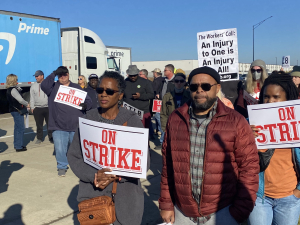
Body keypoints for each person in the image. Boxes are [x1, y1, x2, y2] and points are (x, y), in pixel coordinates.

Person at [159, 66, 259, 225]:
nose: (199, 91)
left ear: (217, 88)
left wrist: (240, 210)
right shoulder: (175, 119)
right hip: (182, 214)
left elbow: (249, 168)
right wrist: (166, 204)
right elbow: (167, 167)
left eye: (205, 86)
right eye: (194, 87)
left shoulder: (236, 121)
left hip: (223, 212)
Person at [67, 71, 148, 225]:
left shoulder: (133, 122)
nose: (103, 94)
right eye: (100, 90)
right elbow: (74, 155)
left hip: (126, 204)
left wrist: (115, 176)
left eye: (109, 91)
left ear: (120, 95)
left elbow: (144, 163)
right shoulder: (87, 120)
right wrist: (94, 176)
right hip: (94, 201)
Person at [248, 72, 300, 225]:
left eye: (276, 97)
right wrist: (245, 136)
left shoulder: (296, 125)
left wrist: (298, 191)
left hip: (289, 197)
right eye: (266, 97)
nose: (270, 101)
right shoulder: (250, 123)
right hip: (259, 197)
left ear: (287, 99)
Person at [41, 66, 92, 177]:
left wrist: (86, 105)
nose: (63, 77)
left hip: (75, 125)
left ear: (69, 74)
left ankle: (78, 166)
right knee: (60, 148)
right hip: (58, 125)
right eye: (60, 75)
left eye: (65, 74)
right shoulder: (53, 87)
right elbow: (44, 85)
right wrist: (54, 73)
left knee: (76, 149)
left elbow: (89, 101)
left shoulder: (77, 87)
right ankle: (62, 166)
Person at [123, 65, 154, 129]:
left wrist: (141, 96)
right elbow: (120, 95)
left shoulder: (146, 82)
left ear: (137, 74)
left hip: (143, 112)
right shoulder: (124, 82)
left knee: (143, 132)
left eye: (134, 75)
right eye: (131, 75)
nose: (133, 77)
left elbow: (151, 95)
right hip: (128, 113)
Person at [6, 74, 29, 152]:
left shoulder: (9, 89)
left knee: (17, 128)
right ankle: (19, 146)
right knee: (21, 128)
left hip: (13, 110)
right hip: (17, 110)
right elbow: (21, 100)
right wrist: (27, 104)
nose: (17, 81)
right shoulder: (13, 90)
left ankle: (17, 144)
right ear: (13, 80)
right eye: (16, 79)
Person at [154, 64, 176, 149]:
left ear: (170, 71)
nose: (164, 71)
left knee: (166, 121)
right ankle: (163, 139)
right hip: (160, 103)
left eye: (165, 70)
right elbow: (159, 89)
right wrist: (158, 94)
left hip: (170, 106)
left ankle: (164, 141)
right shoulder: (163, 80)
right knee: (158, 116)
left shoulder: (175, 81)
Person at [30, 70, 53, 144]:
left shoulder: (48, 84)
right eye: (35, 76)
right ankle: (39, 138)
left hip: (48, 108)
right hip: (38, 108)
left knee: (50, 124)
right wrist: (32, 107)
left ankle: (51, 138)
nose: (36, 78)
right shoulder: (33, 86)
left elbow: (52, 95)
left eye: (37, 76)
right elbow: (32, 97)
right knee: (39, 125)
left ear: (42, 76)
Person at [151, 68, 165, 135]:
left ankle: (160, 129)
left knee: (157, 115)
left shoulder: (156, 80)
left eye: (154, 73)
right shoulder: (164, 79)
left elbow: (154, 90)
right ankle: (159, 129)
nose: (153, 74)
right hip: (162, 99)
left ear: (155, 73)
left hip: (157, 100)